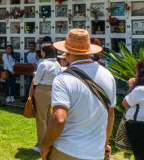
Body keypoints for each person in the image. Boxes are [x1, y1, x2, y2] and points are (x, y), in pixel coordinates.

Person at [40, 29, 116, 160]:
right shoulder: (108, 75)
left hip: (67, 150)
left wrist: (46, 145)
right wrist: (104, 144)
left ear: (67, 52)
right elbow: (110, 114)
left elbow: (58, 118)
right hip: (95, 152)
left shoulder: (63, 79)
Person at [32, 44, 62, 153]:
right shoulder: (57, 64)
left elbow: (36, 81)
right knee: (50, 119)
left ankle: (41, 145)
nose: (41, 53)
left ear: (45, 52)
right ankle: (50, 143)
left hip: (42, 91)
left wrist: (34, 75)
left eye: (41, 51)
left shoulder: (43, 64)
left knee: (41, 119)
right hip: (53, 91)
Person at [122, 61, 144, 159]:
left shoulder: (139, 89)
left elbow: (125, 103)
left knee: (140, 154)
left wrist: (131, 88)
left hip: (138, 126)